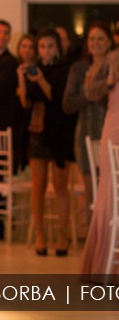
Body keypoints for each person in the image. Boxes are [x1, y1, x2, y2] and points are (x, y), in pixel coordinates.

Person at [17, 28, 73, 256]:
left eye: (50, 46)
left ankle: (62, 235)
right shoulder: (33, 70)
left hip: (59, 132)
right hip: (38, 132)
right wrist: (22, 78)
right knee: (38, 186)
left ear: (57, 48)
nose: (46, 50)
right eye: (42, 46)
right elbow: (25, 103)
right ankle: (40, 235)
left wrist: (39, 79)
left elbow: (56, 98)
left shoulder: (64, 70)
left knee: (60, 187)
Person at [62, 22, 112, 218]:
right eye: (92, 38)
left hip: (109, 133)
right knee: (91, 193)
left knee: (109, 189)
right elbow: (67, 105)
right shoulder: (79, 68)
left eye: (101, 38)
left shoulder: (113, 67)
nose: (96, 43)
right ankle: (94, 239)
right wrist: (90, 93)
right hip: (85, 134)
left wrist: (100, 89)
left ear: (109, 43)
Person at [81, 48, 119, 280]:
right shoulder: (112, 58)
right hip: (114, 129)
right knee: (111, 193)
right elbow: (90, 92)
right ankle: (106, 263)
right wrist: (108, 82)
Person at [14, 34, 37, 171]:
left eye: (30, 47)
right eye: (24, 46)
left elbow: (25, 102)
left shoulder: (34, 70)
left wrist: (21, 78)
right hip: (14, 118)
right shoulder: (14, 66)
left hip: (27, 119)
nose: (27, 50)